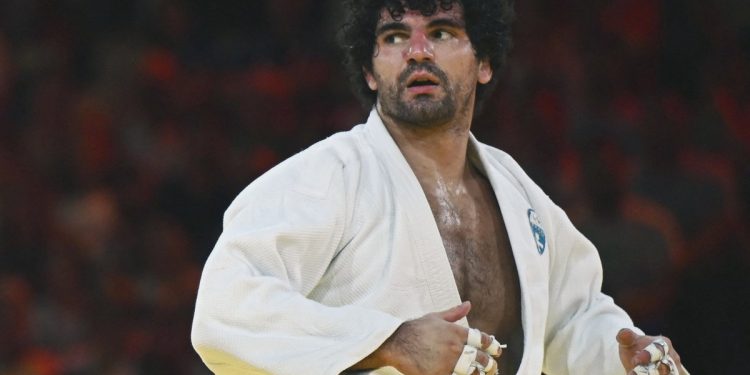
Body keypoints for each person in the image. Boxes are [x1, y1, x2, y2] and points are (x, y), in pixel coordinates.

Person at [191, 1, 689, 374]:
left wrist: (622, 353)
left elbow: (569, 318)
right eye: (393, 38)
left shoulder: (519, 194)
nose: (417, 52)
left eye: (443, 32)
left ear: (485, 62)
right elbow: (224, 308)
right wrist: (389, 341)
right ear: (369, 70)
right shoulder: (326, 177)